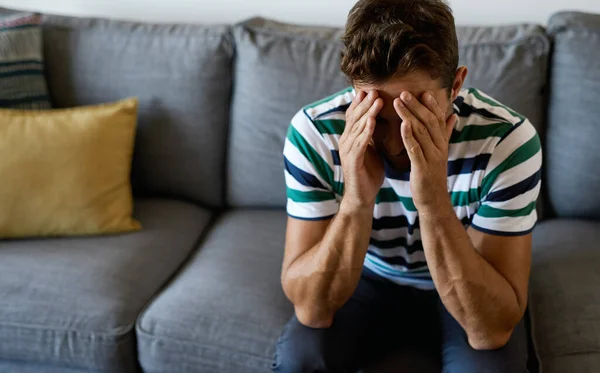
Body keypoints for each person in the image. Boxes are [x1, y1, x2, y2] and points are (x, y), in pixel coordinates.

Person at [272, 0, 542, 372]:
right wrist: (355, 200)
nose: (397, 143)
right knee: (300, 360)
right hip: (367, 274)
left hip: (471, 271)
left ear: (456, 85)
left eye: (416, 114)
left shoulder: (507, 141)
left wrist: (432, 200)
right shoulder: (315, 134)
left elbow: (489, 332)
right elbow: (312, 311)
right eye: (379, 118)